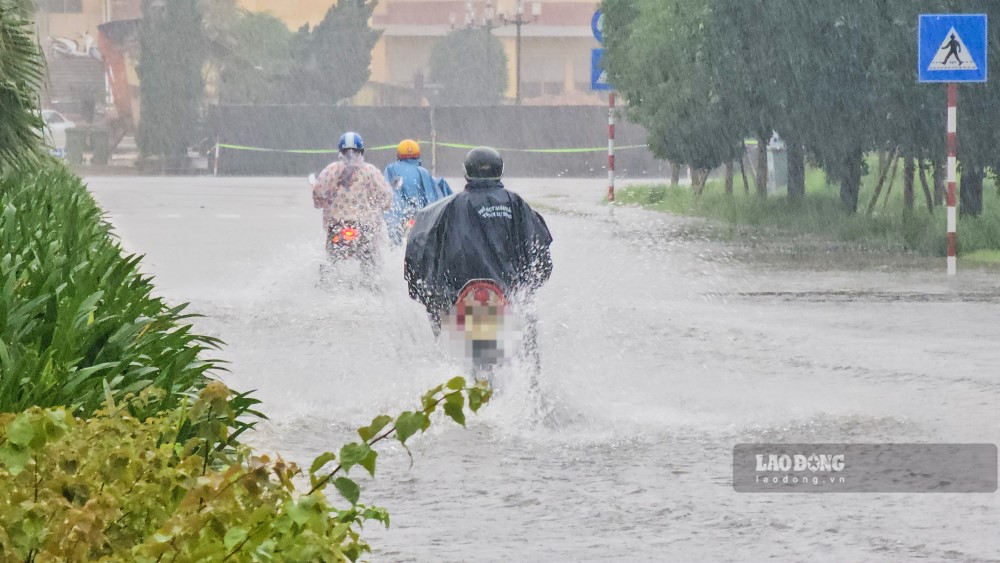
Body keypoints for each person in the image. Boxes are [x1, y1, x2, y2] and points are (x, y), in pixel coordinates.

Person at [403, 147, 553, 361]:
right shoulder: (517, 205)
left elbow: (419, 250)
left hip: (457, 299)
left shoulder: (447, 209)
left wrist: (427, 294)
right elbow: (540, 255)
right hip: (506, 297)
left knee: (441, 338)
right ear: (500, 171)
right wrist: (527, 286)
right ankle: (531, 385)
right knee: (528, 336)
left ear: (466, 172)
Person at [312, 132, 393, 282]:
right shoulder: (371, 171)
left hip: (337, 226)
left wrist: (321, 202)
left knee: (331, 261)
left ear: (340, 151)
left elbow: (318, 192)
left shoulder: (331, 170)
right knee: (371, 263)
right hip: (365, 227)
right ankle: (371, 283)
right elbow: (386, 196)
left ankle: (328, 282)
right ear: (361, 151)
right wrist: (382, 205)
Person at [383, 139, 452, 245]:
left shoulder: (391, 169)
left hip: (399, 219)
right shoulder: (423, 172)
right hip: (420, 218)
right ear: (418, 155)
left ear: (399, 155)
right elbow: (433, 196)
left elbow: (388, 192)